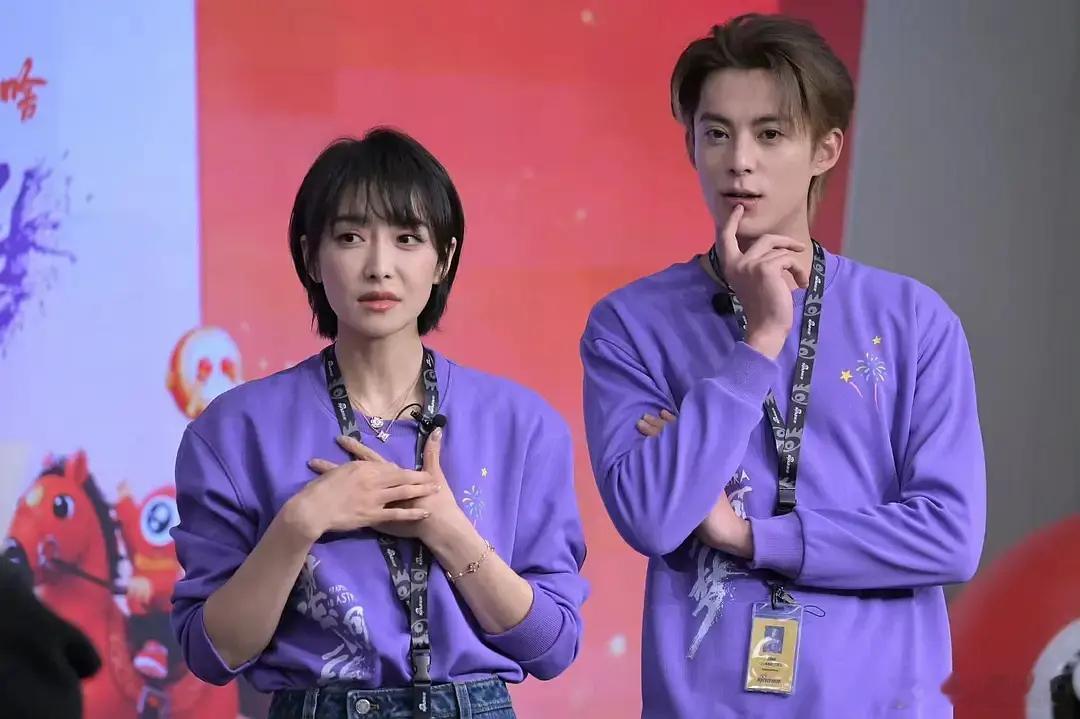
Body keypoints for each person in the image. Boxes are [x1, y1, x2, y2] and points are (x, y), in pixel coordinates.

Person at [580, 14, 985, 717]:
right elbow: (653, 517)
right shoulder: (630, 323)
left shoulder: (912, 319)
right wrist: (760, 341)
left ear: (826, 148)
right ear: (691, 143)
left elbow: (950, 536)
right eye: (716, 133)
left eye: (770, 134)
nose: (740, 160)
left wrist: (749, 537)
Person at [171, 128, 588, 719]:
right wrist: (300, 523)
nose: (379, 267)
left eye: (407, 238)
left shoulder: (522, 425)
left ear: (444, 259)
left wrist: (448, 529)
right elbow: (211, 655)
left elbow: (552, 646)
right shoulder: (234, 430)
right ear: (311, 256)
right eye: (350, 237)